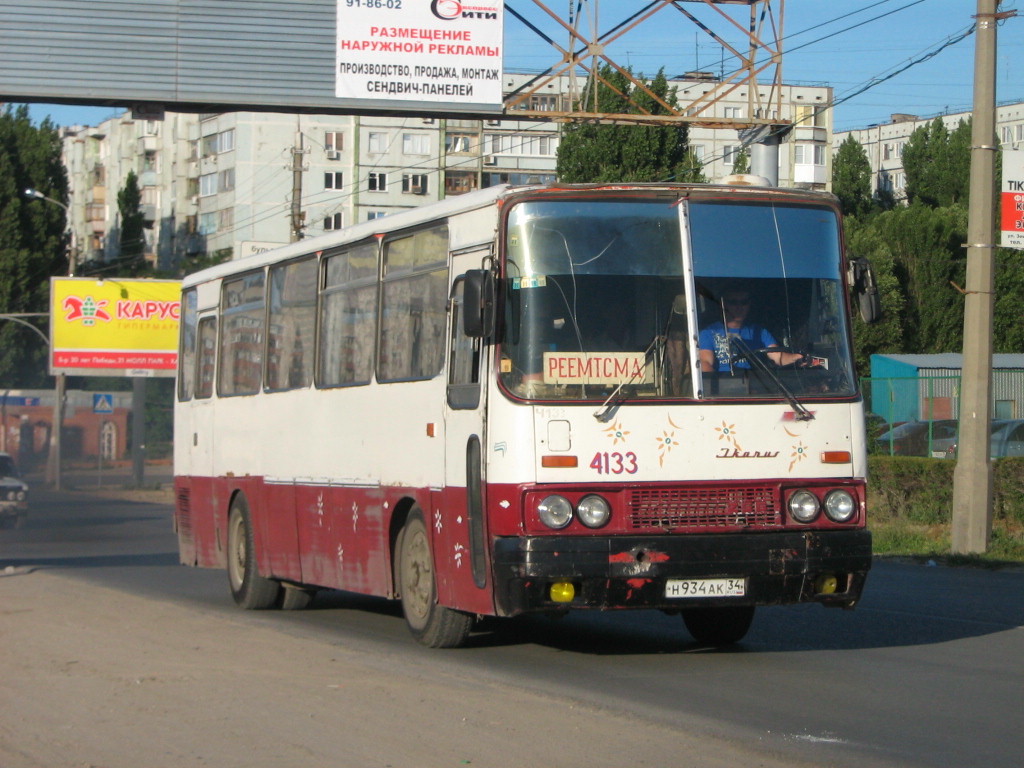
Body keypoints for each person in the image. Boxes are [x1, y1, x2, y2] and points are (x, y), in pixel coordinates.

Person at [699, 286, 809, 373]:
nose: (739, 307)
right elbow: (705, 362)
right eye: (733, 302)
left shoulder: (760, 332)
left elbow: (779, 357)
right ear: (723, 305)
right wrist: (716, 387)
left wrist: (797, 357)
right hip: (726, 392)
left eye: (744, 302)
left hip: (756, 388)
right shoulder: (708, 333)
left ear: (749, 305)